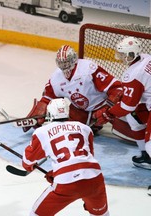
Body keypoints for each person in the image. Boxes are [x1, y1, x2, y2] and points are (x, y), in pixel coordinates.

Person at [22, 98, 110, 216]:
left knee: (36, 214)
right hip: (94, 178)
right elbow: (86, 157)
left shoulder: (41, 132)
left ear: (49, 113)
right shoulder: (85, 128)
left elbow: (27, 161)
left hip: (66, 182)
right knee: (101, 215)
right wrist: (57, 172)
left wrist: (30, 167)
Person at [22, 45, 123, 134]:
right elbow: (47, 97)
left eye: (66, 62)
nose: (64, 66)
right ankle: (94, 124)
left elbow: (116, 88)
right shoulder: (56, 77)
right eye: (61, 63)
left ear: (74, 59)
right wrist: (41, 108)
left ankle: (97, 122)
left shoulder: (88, 68)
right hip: (79, 110)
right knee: (69, 132)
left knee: (130, 131)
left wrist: (108, 108)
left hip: (102, 105)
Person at [93, 36, 151, 170]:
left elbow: (127, 106)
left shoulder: (133, 74)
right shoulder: (146, 57)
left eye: (124, 54)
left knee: (150, 144)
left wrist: (108, 114)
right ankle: (146, 157)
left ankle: (148, 151)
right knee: (133, 116)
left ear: (132, 54)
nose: (121, 57)